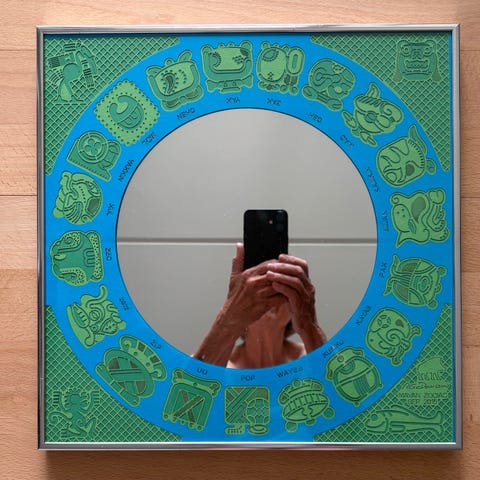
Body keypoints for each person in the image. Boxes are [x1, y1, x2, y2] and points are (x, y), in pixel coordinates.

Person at [193, 243, 326, 368]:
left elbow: (334, 382)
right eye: (257, 288)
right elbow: (191, 384)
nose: (268, 295)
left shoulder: (310, 357)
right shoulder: (222, 365)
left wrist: (309, 325)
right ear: (239, 302)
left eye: (279, 285)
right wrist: (228, 320)